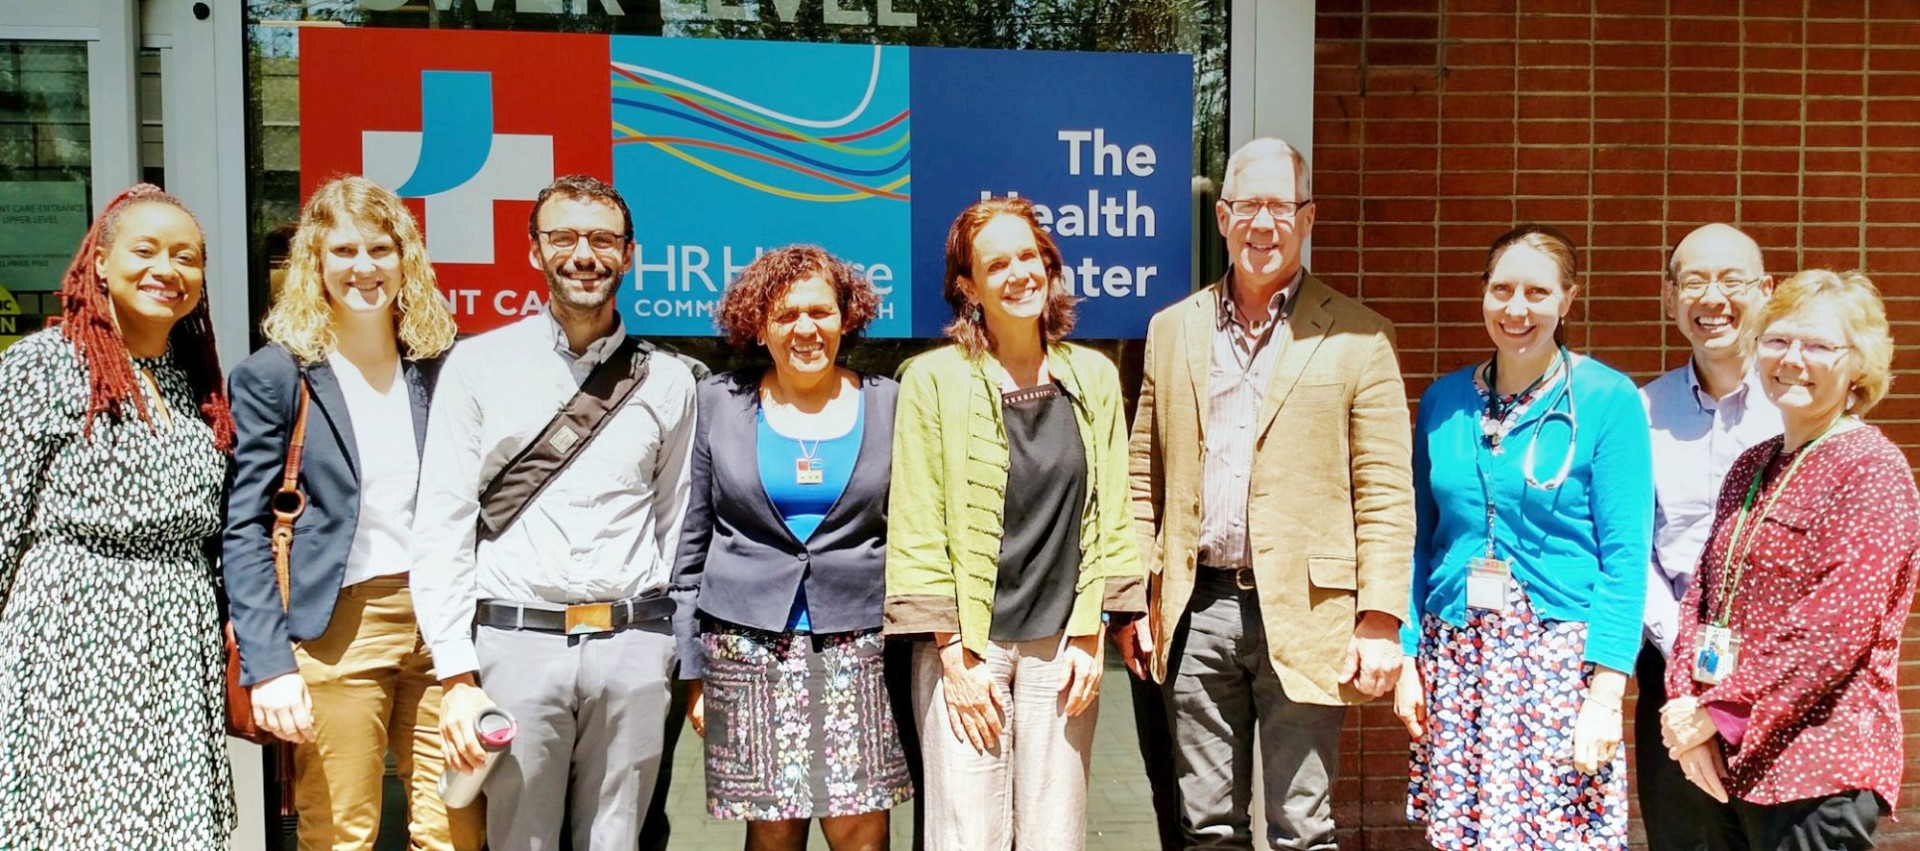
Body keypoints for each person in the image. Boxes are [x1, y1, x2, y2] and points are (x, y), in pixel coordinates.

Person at [1127, 136, 1412, 850]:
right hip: (1199, 609)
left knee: (1302, 827)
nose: (1263, 224)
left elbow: (1384, 492)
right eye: (1247, 206)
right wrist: (1133, 599)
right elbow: (1143, 479)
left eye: (1280, 207)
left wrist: (1380, 617)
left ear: (1308, 218)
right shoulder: (1171, 330)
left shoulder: (1360, 338)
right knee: (1206, 825)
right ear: (1222, 218)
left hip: (1310, 615)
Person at [410, 174, 696, 849]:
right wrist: (455, 672)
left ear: (629, 255)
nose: (583, 254)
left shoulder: (670, 379)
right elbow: (443, 525)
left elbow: (674, 521)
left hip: (630, 645)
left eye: (602, 239)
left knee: (619, 837)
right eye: (562, 237)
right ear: (534, 251)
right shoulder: (478, 365)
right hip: (514, 642)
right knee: (519, 839)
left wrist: (660, 647)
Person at [224, 175, 482, 851]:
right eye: (343, 251)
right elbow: (246, 529)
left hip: (443, 626)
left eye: (380, 248)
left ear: (406, 260)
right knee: (343, 835)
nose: (364, 266)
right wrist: (268, 662)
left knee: (452, 831)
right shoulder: (277, 376)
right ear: (316, 262)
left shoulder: (441, 368)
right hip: (337, 628)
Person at [886, 196, 1144, 851]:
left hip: (1062, 646)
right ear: (969, 286)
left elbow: (1112, 512)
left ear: (1049, 265)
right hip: (970, 648)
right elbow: (917, 524)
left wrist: (1092, 633)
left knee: (1055, 836)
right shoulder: (931, 380)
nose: (1019, 273)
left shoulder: (1095, 377)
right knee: (967, 836)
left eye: (1029, 256)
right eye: (997, 263)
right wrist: (952, 656)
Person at [1393, 224, 1652, 849]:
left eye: (1537, 292)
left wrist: (1606, 690)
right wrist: (1407, 654)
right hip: (1459, 654)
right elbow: (1417, 537)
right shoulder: (1444, 400)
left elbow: (1625, 555)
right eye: (1502, 289)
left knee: (1558, 833)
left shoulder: (1606, 399)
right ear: (1482, 294)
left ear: (1568, 299)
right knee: (1466, 832)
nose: (1517, 309)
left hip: (1559, 662)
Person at [0, 184, 236, 847]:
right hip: (70, 640)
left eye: (187, 257)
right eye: (147, 250)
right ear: (100, 261)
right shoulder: (40, 367)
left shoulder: (195, 379)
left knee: (168, 824)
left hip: (174, 645)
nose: (169, 269)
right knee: (74, 821)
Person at [1662, 270, 1920, 850]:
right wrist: (1686, 704)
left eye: (1819, 345)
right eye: (1778, 339)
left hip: (1816, 765)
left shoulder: (1871, 470)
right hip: (1729, 762)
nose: (1792, 358)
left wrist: (1721, 711)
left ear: (1859, 364)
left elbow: (1833, 627)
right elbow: (1702, 597)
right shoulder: (1752, 465)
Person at [672, 245, 913, 850]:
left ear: (846, 316)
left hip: (862, 645)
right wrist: (692, 670)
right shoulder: (719, 403)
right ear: (758, 325)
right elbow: (692, 538)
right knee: (774, 827)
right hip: (746, 644)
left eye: (820, 311)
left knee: (860, 826)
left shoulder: (890, 403)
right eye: (785, 315)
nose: (805, 329)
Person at [1635, 224, 1781, 851]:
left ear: (1767, 292)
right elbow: (1628, 548)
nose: (1712, 298)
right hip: (1671, 675)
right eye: (1693, 281)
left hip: (1780, 679)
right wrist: (1684, 659)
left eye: (1732, 281)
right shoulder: (1639, 411)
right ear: (1670, 299)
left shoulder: (1798, 404)